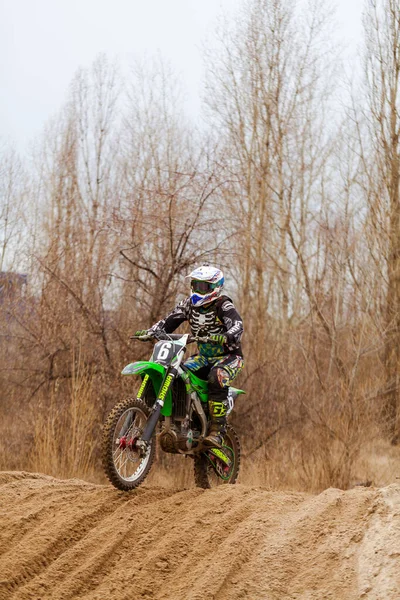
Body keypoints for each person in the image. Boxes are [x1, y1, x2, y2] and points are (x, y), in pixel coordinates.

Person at [134, 265, 244, 446]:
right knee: (178, 372)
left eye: (204, 286)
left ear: (215, 287)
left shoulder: (223, 304)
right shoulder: (188, 305)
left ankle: (217, 430)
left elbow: (238, 325)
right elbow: (168, 322)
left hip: (230, 357)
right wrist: (152, 331)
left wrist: (225, 336)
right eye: (196, 285)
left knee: (217, 376)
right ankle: (185, 418)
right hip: (204, 357)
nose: (198, 290)